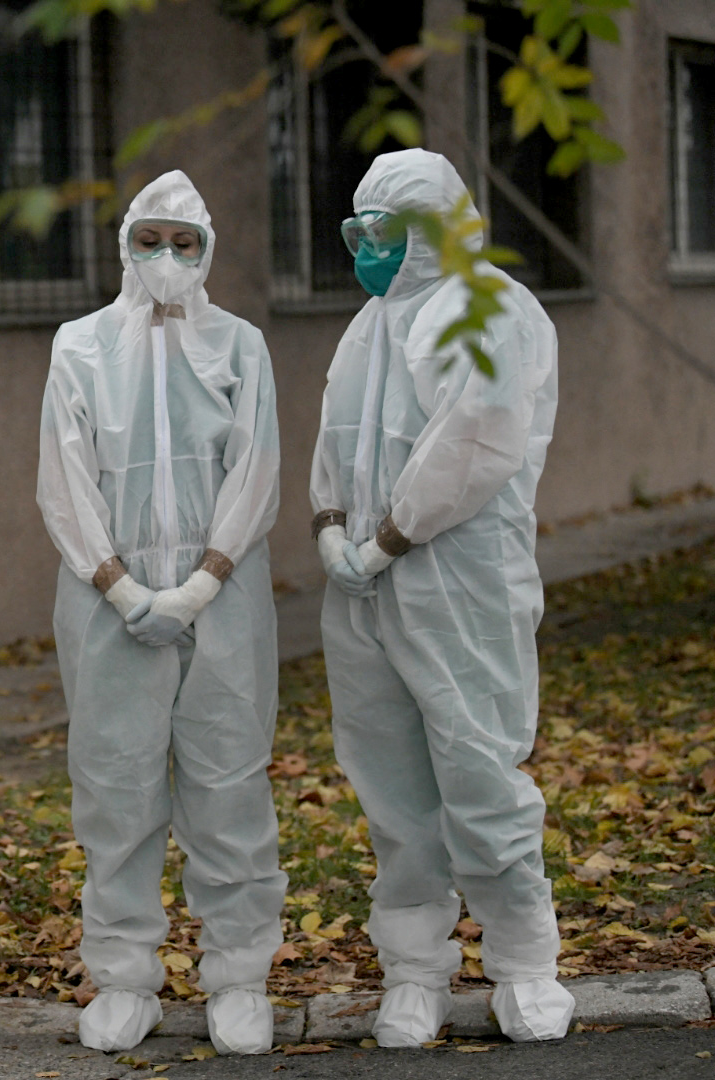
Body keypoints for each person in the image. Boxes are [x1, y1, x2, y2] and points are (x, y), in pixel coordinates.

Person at [311, 148, 568, 1047]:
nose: (367, 249)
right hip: (366, 591)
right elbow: (335, 436)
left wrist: (386, 538)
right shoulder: (368, 325)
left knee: (479, 771)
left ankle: (525, 961)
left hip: (459, 579)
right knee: (392, 790)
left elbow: (476, 446)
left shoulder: (489, 307)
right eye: (359, 231)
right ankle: (415, 970)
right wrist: (331, 524)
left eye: (382, 231)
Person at [37, 170, 287, 1056]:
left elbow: (256, 471)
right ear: (123, 247)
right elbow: (63, 477)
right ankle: (122, 977)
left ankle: (239, 975)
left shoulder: (240, 345)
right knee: (116, 789)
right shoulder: (80, 346)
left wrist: (199, 584)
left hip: (222, 600)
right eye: (150, 240)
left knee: (228, 784)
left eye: (185, 243)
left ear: (208, 251)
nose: (167, 259)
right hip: (106, 600)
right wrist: (118, 584)